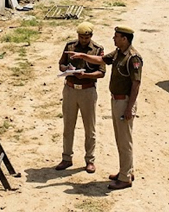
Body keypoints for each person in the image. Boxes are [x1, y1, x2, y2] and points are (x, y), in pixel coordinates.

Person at [70, 25, 142, 190]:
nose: (113, 38)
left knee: (124, 141)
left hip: (124, 102)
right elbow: (101, 60)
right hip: (117, 101)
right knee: (120, 139)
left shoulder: (133, 58)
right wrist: (82, 55)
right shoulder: (118, 53)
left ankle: (125, 178)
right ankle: (126, 171)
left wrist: (129, 108)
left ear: (124, 39)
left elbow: (136, 84)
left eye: (116, 36)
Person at [55, 21, 106, 174]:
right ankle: (66, 158)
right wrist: (67, 69)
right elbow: (61, 64)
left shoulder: (97, 50)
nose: (84, 40)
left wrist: (86, 75)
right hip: (70, 89)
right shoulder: (70, 46)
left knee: (89, 128)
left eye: (86, 37)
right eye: (81, 37)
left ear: (91, 36)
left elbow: (101, 72)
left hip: (87, 91)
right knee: (68, 126)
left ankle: (90, 160)